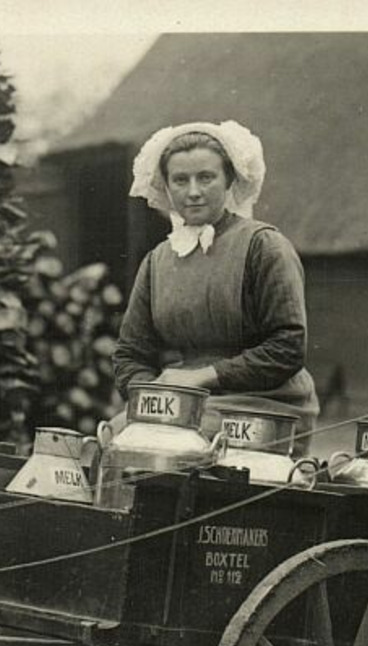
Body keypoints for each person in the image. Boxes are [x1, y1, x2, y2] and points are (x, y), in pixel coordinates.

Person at [111, 120, 319, 450]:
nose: (193, 191)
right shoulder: (157, 260)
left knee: (173, 447)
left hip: (263, 403)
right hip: (182, 404)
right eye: (180, 180)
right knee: (111, 440)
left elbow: (288, 348)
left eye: (206, 177)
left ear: (229, 180)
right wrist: (153, 396)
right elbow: (130, 353)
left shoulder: (263, 246)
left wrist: (203, 376)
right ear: (166, 187)